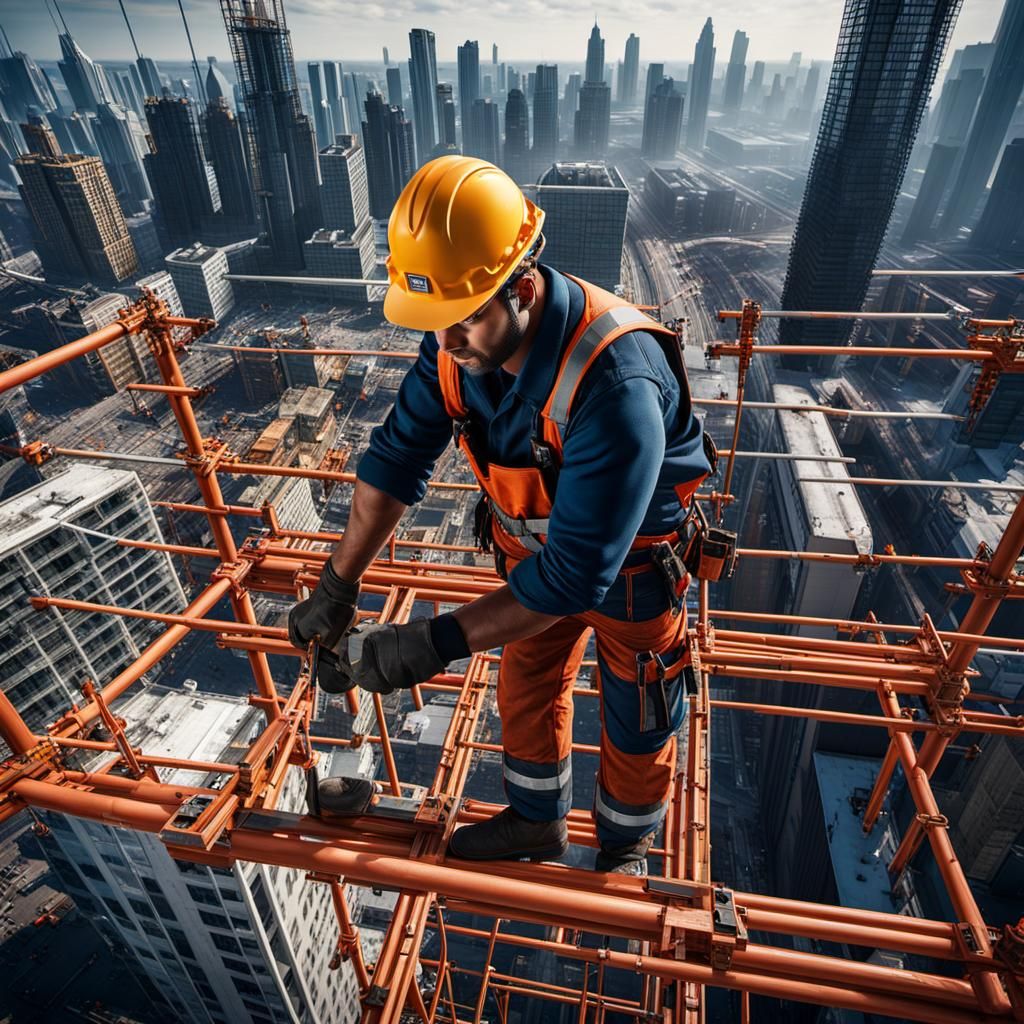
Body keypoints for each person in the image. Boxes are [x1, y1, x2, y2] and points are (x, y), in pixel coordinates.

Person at [288, 156, 712, 875]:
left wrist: (433, 641)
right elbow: (394, 463)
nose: (445, 341)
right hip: (532, 564)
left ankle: (626, 840)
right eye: (437, 323)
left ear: (521, 287)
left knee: (638, 707)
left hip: (632, 574)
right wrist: (337, 584)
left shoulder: (615, 381)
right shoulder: (457, 345)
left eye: (463, 320)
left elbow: (579, 575)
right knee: (524, 685)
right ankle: (534, 822)